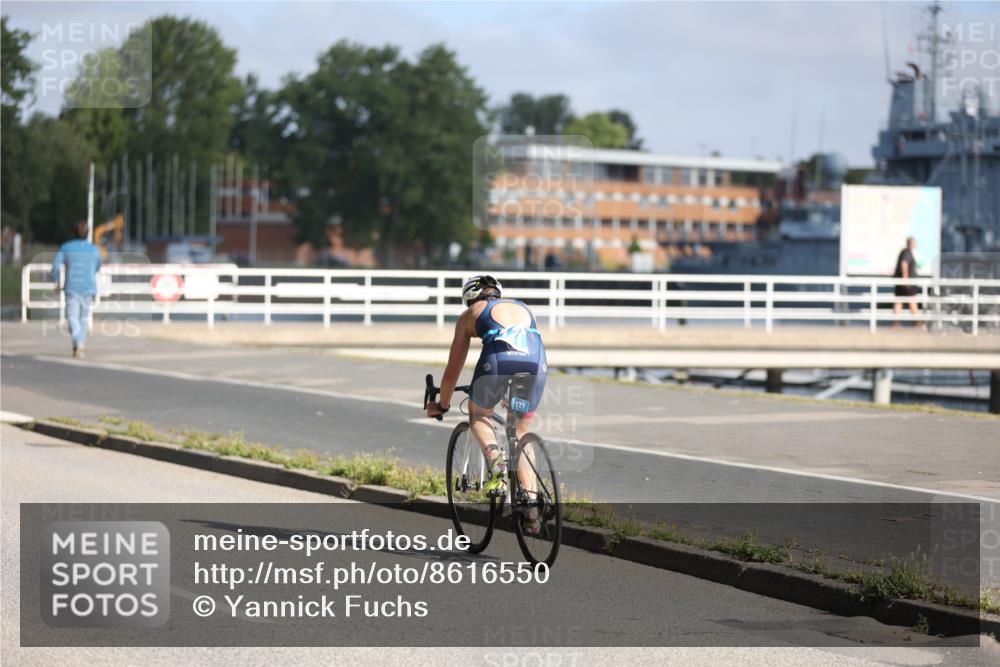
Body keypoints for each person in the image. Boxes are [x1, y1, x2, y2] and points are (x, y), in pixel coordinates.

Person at [426, 275, 547, 519]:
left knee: (479, 414)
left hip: (498, 362)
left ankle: (497, 467)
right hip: (536, 364)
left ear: (469, 298)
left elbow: (452, 371)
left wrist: (442, 404)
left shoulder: (472, 313)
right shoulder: (522, 307)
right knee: (521, 431)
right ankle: (532, 510)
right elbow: (522, 350)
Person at [52, 221, 102, 358]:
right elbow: (98, 266)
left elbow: (56, 266)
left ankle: (78, 343)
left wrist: (56, 280)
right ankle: (79, 343)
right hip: (88, 287)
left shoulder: (66, 247)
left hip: (72, 287)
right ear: (88, 234)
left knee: (72, 317)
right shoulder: (94, 249)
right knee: (84, 318)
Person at [892, 237, 922, 328]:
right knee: (912, 301)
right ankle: (918, 322)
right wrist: (906, 280)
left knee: (899, 301)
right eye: (914, 243)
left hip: (904, 282)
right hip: (907, 283)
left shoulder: (905, 252)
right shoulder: (907, 252)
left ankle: (896, 323)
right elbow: (904, 264)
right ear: (910, 243)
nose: (915, 244)